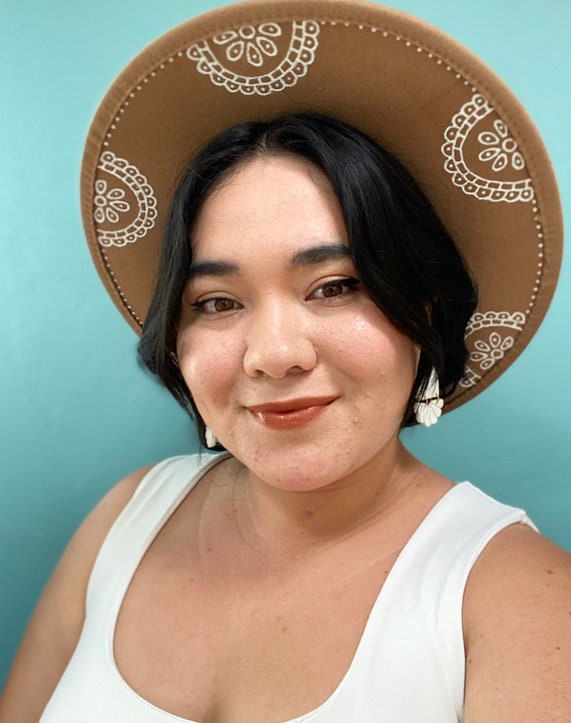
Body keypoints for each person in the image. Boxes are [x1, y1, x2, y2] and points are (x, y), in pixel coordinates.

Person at [1, 1, 569, 721]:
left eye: (335, 287)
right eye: (216, 301)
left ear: (423, 314)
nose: (273, 356)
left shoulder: (516, 596)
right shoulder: (125, 517)